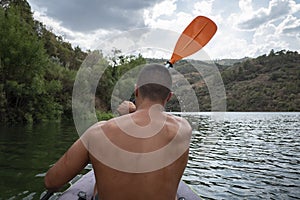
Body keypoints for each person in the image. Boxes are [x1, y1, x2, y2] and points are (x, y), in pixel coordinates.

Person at [44, 64, 192, 200]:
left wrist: (127, 116)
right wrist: (133, 114)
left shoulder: (98, 132)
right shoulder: (184, 129)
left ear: (136, 91)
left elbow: (51, 182)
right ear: (169, 96)